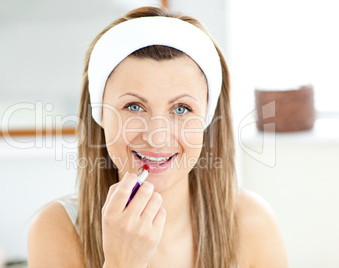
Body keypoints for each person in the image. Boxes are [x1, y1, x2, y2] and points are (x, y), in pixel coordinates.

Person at [27, 6, 288, 268]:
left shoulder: (252, 224)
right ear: (100, 115)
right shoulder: (57, 230)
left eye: (181, 109)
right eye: (134, 106)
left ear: (207, 119)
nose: (157, 138)